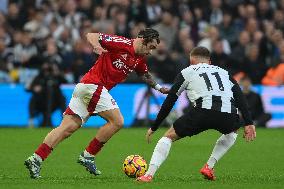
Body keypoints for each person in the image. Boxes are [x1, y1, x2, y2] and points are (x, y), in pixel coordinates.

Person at [24, 28, 169, 179]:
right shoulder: (121, 43)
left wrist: (158, 87)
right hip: (93, 86)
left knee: (67, 128)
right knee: (117, 121)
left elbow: (144, 74)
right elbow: (92, 35)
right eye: (151, 47)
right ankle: (88, 155)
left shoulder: (139, 58)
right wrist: (96, 46)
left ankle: (36, 158)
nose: (151, 52)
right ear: (142, 40)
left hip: (85, 88)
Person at [137, 46, 256, 182]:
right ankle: (209, 167)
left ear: (191, 61)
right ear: (209, 61)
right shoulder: (224, 72)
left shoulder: (187, 71)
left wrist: (155, 126)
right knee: (233, 129)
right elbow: (240, 97)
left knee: (168, 137)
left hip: (202, 111)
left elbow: (170, 100)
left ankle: (148, 175)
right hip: (228, 113)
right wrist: (249, 122)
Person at [28, 63, 67, 127]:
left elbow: (66, 82)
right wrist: (35, 88)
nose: (47, 72)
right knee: (33, 99)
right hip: (42, 101)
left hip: (55, 102)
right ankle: (31, 119)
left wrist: (57, 73)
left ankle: (65, 121)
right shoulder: (39, 77)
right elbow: (30, 88)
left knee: (62, 98)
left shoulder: (56, 77)